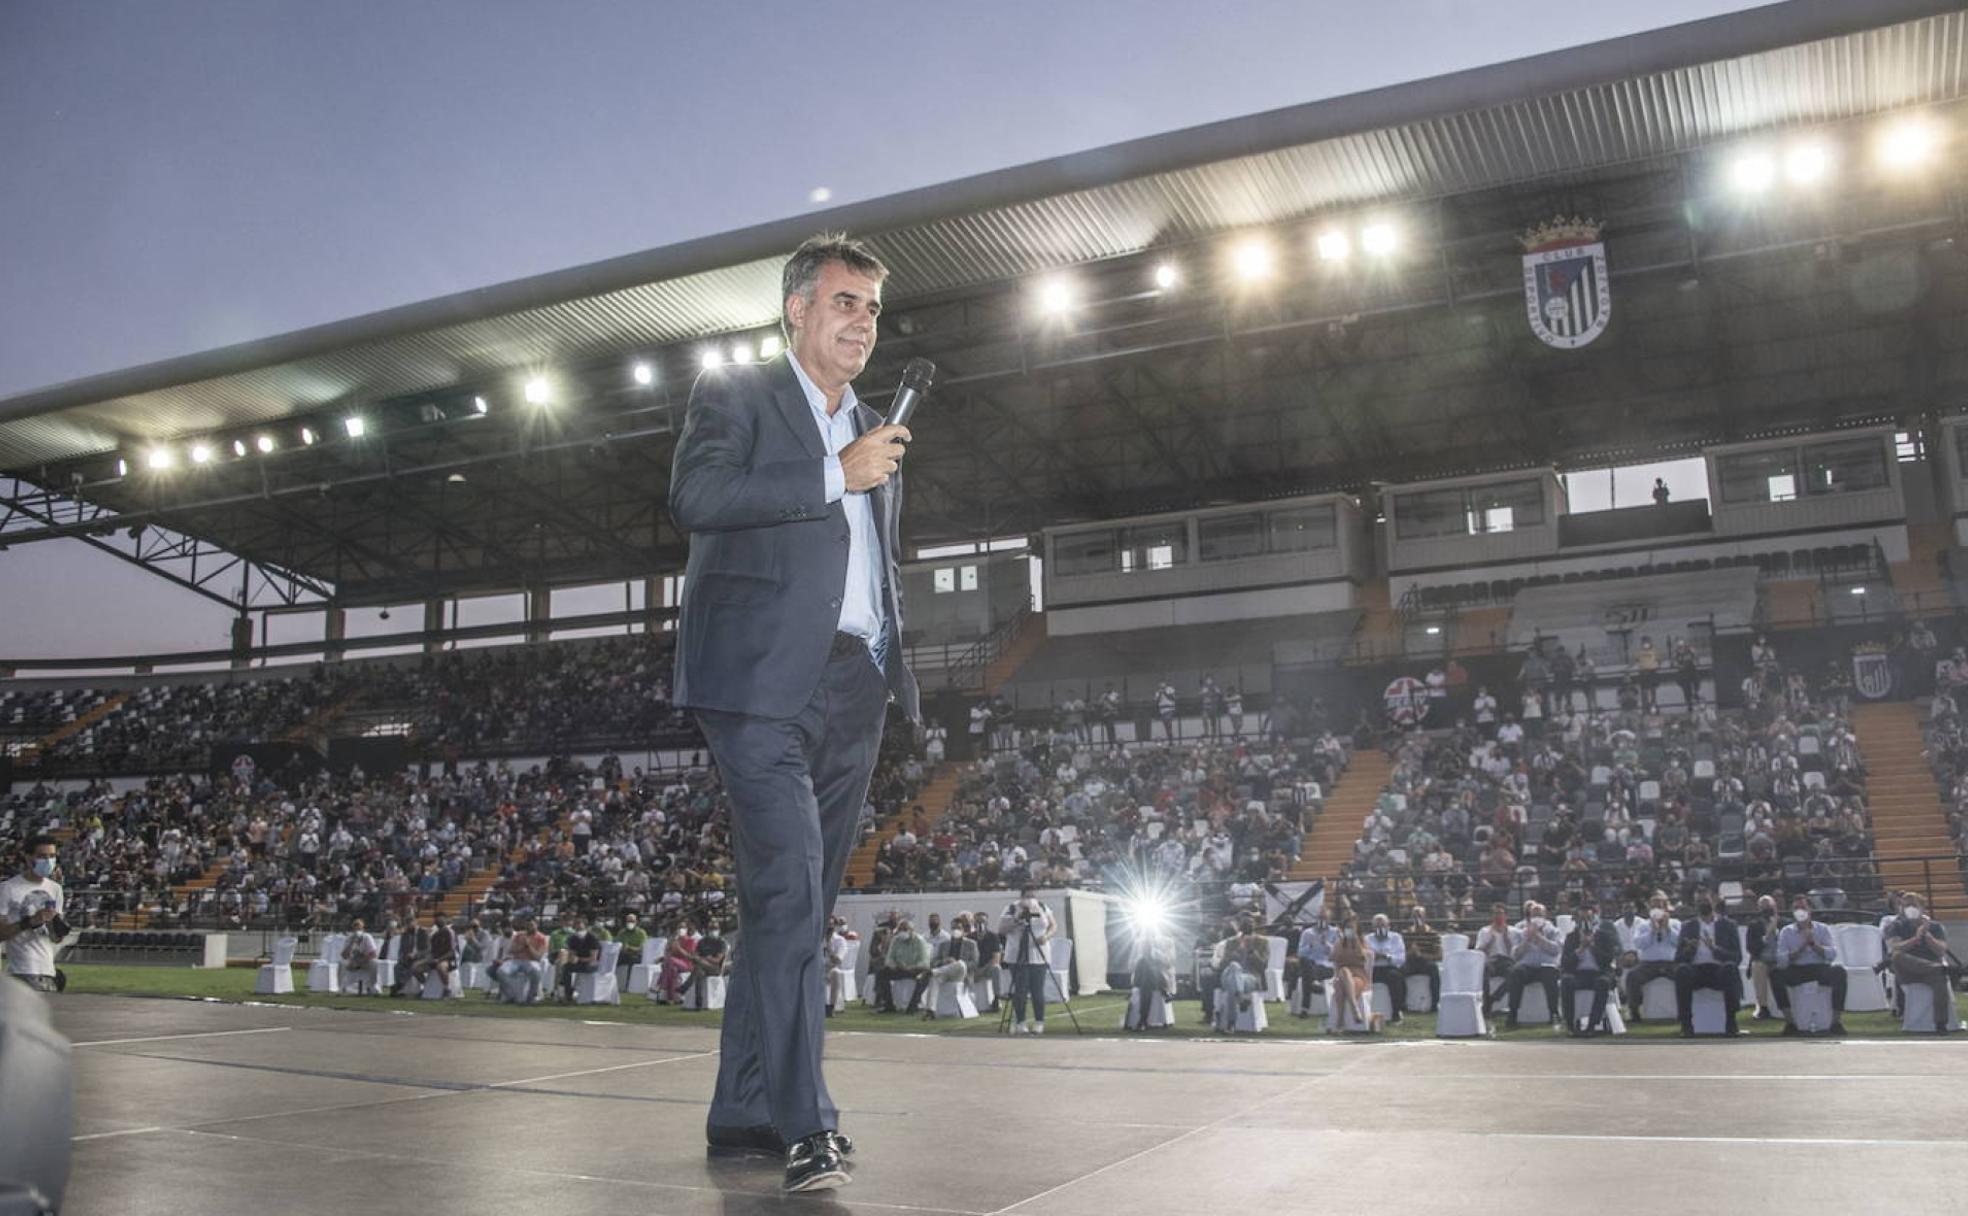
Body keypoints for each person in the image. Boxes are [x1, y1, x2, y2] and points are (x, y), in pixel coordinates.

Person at [670, 234, 919, 1191]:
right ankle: (806, 1125)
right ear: (797, 310)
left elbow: (869, 564)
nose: (862, 322)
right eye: (846, 302)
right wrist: (832, 475)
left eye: (871, 309)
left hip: (854, 684)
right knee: (786, 893)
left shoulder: (872, 426)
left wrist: (890, 657)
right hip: (759, 683)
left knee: (799, 910)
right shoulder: (736, 395)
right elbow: (696, 496)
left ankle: (743, 1110)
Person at [1772, 897, 1848, 1035]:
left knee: (1839, 972)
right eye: (1796, 908)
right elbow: (1781, 959)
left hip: (1819, 968)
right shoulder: (1786, 931)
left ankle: (1836, 1022)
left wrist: (1813, 944)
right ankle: (1790, 1022)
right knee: (1775, 974)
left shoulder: (1822, 929)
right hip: (1797, 969)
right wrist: (1801, 948)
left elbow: (1831, 954)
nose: (1799, 911)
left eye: (1802, 907)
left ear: (1809, 910)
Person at [0, 835, 66, 993]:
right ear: (28, 857)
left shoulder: (55, 889)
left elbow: (56, 939)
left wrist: (56, 926)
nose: (48, 861)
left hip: (48, 970)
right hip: (20, 970)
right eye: (42, 856)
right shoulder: (8, 888)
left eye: (52, 856)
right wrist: (30, 921)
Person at [1885, 897, 1957, 1032]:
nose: (1909, 909)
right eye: (1906, 906)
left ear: (1922, 908)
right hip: (1908, 971)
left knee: (1939, 977)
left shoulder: (1935, 926)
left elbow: (1941, 951)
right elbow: (1896, 947)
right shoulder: (1896, 926)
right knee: (1897, 956)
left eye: (1913, 905)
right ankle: (1939, 969)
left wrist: (1927, 936)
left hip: (1932, 972)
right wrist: (1916, 938)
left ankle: (1941, 1023)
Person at [1673, 896, 1743, 1036]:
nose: (1703, 904)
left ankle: (1731, 1021)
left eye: (1707, 901)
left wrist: (1714, 949)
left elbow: (1737, 957)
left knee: (1730, 968)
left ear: (1714, 905)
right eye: (1700, 902)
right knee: (1682, 971)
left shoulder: (1728, 925)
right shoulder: (1688, 926)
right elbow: (1678, 958)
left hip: (1718, 970)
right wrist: (1690, 949)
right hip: (1696, 971)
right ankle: (1686, 1024)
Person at [999, 887, 1057, 1034]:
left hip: (1038, 954)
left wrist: (1046, 936)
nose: (1030, 898)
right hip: (1017, 955)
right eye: (1027, 895)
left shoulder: (1042, 906)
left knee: (1037, 990)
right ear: (1021, 896)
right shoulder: (1011, 908)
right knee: (1021, 991)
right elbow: (1001, 929)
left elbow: (1053, 925)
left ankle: (1039, 1021)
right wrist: (1018, 918)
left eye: (1032, 894)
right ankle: (1020, 1021)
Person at [1560, 902, 1620, 1035]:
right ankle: (1570, 1025)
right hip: (1578, 973)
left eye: (1588, 918)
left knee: (1603, 983)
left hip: (1599, 972)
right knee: (1566, 981)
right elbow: (1566, 963)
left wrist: (1592, 946)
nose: (1585, 922)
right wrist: (1580, 949)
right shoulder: (1571, 937)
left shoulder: (1604, 936)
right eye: (1582, 919)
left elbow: (1607, 960)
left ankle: (1592, 1024)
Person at [1504, 902, 1562, 1029]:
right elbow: (1515, 955)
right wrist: (1527, 939)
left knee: (1550, 975)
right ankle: (1513, 1013)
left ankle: (1554, 1013)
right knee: (1515, 972)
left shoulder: (1553, 930)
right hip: (1527, 966)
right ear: (1529, 915)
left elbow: (1555, 950)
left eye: (1540, 914)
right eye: (1534, 914)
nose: (1537, 917)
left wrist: (1538, 937)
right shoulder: (1519, 930)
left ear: (1545, 915)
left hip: (1547, 966)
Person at [1624, 897, 1680, 1023]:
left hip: (1670, 963)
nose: (1657, 910)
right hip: (1649, 964)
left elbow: (1679, 942)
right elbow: (1639, 944)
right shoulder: (1643, 926)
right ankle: (1635, 1010)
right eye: (1654, 907)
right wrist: (1652, 932)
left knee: (1684, 974)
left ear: (1665, 908)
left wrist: (1668, 929)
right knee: (1632, 976)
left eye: (1660, 906)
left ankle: (1683, 1010)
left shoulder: (1675, 923)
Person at [874, 918, 932, 1013]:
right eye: (900, 929)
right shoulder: (896, 940)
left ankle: (913, 1005)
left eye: (905, 929)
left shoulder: (920, 941)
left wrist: (911, 967)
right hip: (899, 969)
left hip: (915, 969)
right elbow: (889, 959)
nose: (902, 932)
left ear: (912, 930)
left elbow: (925, 962)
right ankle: (888, 1004)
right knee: (882, 973)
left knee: (926, 976)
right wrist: (895, 965)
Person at [1329, 915, 1377, 1031]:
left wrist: (1356, 942)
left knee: (1340, 986)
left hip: (1358, 977)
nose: (1349, 930)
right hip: (1342, 976)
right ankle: (1354, 1008)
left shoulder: (1363, 943)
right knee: (1343, 973)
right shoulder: (1339, 944)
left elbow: (1365, 957)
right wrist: (1342, 942)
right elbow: (1334, 959)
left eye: (1351, 928)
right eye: (1347, 927)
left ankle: (1340, 1021)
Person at [1743, 894, 1784, 1019]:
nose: (1767, 909)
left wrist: (1776, 929)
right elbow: (1751, 948)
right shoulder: (1754, 925)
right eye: (1763, 906)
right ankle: (1763, 1007)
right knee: (1758, 965)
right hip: (1763, 959)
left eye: (1769, 905)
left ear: (1775, 906)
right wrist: (1767, 934)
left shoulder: (1785, 923)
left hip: (1782, 959)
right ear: (1759, 909)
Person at [1473, 904, 1518, 1017]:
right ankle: (1486, 1003)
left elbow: (1514, 953)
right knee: (1484, 972)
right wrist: (1490, 942)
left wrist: (1506, 939)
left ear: (1505, 916)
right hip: (1491, 960)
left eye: (1500, 914)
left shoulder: (1513, 931)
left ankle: (1493, 999)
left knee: (1514, 974)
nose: (1498, 916)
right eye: (1495, 914)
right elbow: (1478, 951)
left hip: (1507, 960)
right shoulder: (1484, 931)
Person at [1366, 914, 1408, 1025]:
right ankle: (1364, 1012)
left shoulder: (1396, 938)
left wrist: (1387, 956)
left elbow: (1401, 959)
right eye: (1377, 926)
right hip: (1373, 969)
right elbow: (1363, 957)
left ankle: (1396, 1012)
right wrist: (1374, 956)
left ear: (1388, 926)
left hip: (1390, 968)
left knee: (1395, 978)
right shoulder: (1367, 939)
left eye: (1383, 925)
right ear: (1373, 927)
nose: (1380, 928)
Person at [497, 917, 550, 1005]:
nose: (529, 927)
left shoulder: (541, 938)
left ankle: (531, 997)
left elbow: (537, 957)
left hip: (531, 961)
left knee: (535, 972)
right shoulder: (519, 935)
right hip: (516, 960)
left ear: (536, 925)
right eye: (528, 925)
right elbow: (512, 950)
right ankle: (510, 995)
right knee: (501, 971)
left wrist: (528, 945)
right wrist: (523, 947)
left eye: (532, 925)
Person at [1294, 911, 1337, 1015]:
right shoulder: (1307, 933)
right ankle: (1314, 983)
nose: (1322, 921)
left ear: (1329, 920)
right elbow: (1300, 953)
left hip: (1327, 966)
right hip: (1310, 964)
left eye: (1324, 918)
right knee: (1306, 963)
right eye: (1320, 918)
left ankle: (1305, 1008)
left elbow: (1337, 953)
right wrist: (1310, 946)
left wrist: (1326, 944)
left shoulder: (1335, 932)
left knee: (1307, 975)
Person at [1401, 905, 1442, 1013]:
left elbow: (1439, 956)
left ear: (1425, 917)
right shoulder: (1406, 933)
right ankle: (1402, 1004)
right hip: (1410, 962)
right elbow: (1400, 954)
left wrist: (1421, 955)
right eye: (1415, 916)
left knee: (1434, 970)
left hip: (1426, 962)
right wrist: (1410, 952)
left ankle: (1434, 1004)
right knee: (1398, 973)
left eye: (1419, 915)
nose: (1417, 918)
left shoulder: (1433, 934)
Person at [556, 914, 601, 1003]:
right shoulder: (573, 938)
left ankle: (569, 992)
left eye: (579, 923)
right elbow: (573, 953)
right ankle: (568, 994)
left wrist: (579, 959)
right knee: (565, 968)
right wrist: (571, 958)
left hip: (591, 964)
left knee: (569, 968)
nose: (577, 925)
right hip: (580, 962)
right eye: (575, 923)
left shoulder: (592, 938)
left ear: (584, 924)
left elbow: (593, 958)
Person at [970, 909, 1004, 1012]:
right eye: (977, 922)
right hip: (973, 969)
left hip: (987, 969)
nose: (980, 924)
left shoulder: (993, 937)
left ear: (987, 923)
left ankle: (996, 998)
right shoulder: (969, 937)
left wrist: (981, 971)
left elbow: (996, 958)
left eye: (982, 921)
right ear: (974, 923)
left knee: (996, 968)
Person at [340, 918, 379, 993]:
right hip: (353, 961)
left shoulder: (367, 937)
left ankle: (372, 987)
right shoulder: (350, 938)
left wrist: (361, 961)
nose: (357, 930)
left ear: (362, 929)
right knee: (342, 963)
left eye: (359, 928)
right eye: (355, 928)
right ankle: (342, 988)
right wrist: (350, 945)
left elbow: (373, 953)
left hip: (365, 960)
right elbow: (344, 956)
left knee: (374, 963)